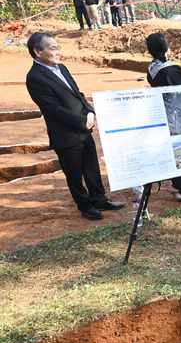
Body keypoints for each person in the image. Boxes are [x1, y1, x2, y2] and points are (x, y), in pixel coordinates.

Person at [25, 32, 125, 220]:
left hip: (84, 129)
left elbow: (77, 93)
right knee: (74, 174)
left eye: (58, 47)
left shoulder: (61, 68)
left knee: (92, 168)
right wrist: (82, 121)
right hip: (65, 135)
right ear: (38, 52)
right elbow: (52, 109)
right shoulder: (35, 77)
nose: (58, 51)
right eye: (53, 48)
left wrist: (90, 110)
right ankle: (85, 206)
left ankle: (100, 200)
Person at [145, 32, 181, 203]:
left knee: (174, 152)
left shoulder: (151, 68)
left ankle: (176, 185)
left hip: (164, 114)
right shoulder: (171, 69)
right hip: (179, 116)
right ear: (166, 48)